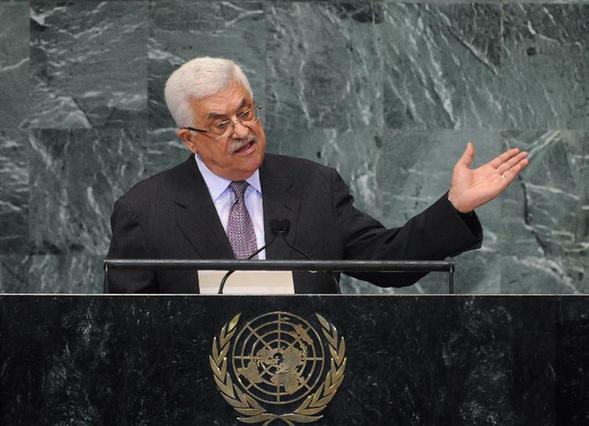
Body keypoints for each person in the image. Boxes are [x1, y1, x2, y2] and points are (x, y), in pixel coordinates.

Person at [106, 57, 529, 294]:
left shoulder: (313, 185)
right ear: (188, 138)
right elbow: (126, 328)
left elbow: (388, 262)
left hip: (314, 387)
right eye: (219, 124)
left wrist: (453, 207)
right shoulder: (145, 211)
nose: (242, 130)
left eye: (246, 112)